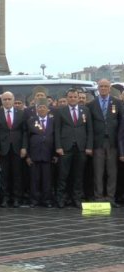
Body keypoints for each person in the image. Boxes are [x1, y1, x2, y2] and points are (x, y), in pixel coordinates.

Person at [87, 79, 122, 207]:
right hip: (98, 143)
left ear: (109, 88)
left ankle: (111, 198)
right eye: (101, 86)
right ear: (98, 88)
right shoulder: (91, 104)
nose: (103, 88)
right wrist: (89, 146)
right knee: (98, 171)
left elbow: (121, 125)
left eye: (106, 86)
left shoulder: (117, 103)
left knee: (112, 172)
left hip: (112, 143)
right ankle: (99, 197)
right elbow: (89, 127)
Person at [54, 89, 92, 208]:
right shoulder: (60, 111)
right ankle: (61, 198)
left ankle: (77, 198)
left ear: (78, 98)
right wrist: (58, 146)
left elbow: (89, 130)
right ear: (67, 98)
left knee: (78, 175)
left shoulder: (85, 110)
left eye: (75, 97)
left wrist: (89, 146)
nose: (73, 99)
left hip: (81, 148)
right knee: (63, 175)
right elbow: (57, 130)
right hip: (65, 148)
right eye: (70, 97)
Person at [0, 91, 27, 208]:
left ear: (13, 100)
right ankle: (5, 198)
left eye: (9, 99)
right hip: (3, 149)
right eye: (4, 99)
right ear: (1, 101)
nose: (7, 101)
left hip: (17, 148)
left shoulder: (21, 113)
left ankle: (16, 198)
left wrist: (24, 147)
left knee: (17, 175)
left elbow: (25, 132)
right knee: (4, 175)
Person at [25, 99, 55, 208]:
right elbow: (26, 138)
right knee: (34, 179)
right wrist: (27, 155)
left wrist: (55, 154)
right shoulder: (31, 121)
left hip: (48, 155)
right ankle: (34, 200)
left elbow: (55, 138)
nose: (42, 109)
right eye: (39, 107)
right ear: (36, 109)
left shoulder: (53, 121)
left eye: (44, 107)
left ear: (48, 109)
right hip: (34, 154)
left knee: (47, 180)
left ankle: (47, 200)